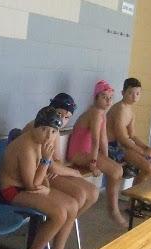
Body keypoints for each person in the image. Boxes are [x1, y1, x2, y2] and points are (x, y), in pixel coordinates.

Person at [0, 106, 79, 249]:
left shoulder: (42, 143)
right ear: (35, 126)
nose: (48, 136)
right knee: (59, 214)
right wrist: (46, 161)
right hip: (13, 190)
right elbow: (31, 185)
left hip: (30, 186)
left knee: (73, 205)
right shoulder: (26, 146)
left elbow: (40, 180)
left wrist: (48, 188)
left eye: (53, 131)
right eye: (44, 129)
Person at [23, 93, 99, 222]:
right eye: (59, 114)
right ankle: (58, 224)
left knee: (93, 192)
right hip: (35, 175)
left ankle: (65, 224)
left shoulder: (55, 130)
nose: (62, 120)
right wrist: (74, 172)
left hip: (47, 171)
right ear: (51, 109)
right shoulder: (43, 128)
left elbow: (57, 161)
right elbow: (52, 166)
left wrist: (56, 167)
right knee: (79, 195)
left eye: (67, 117)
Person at [67, 81, 125, 226]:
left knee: (117, 170)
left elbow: (104, 139)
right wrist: (93, 164)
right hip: (78, 155)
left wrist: (106, 159)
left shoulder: (101, 114)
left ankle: (113, 209)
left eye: (110, 98)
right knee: (116, 171)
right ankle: (113, 210)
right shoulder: (95, 113)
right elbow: (95, 140)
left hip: (88, 152)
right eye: (104, 97)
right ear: (96, 98)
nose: (108, 101)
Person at [106, 78, 151, 185]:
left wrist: (146, 147)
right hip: (112, 146)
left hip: (124, 145)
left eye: (137, 94)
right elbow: (122, 138)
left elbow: (132, 135)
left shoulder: (130, 112)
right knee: (147, 166)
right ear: (123, 93)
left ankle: (141, 190)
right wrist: (141, 151)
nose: (134, 97)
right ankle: (135, 193)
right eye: (130, 93)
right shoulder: (120, 109)